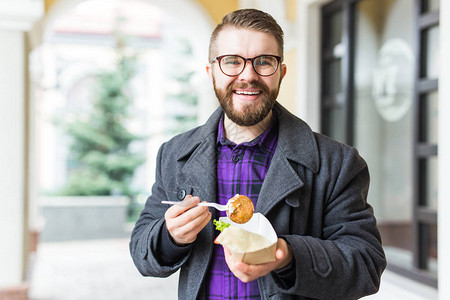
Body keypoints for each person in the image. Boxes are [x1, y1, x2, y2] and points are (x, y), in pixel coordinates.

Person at [130, 8, 386, 300]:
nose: (248, 76)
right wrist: (170, 236)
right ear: (211, 71)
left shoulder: (337, 163)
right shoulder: (174, 154)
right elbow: (141, 253)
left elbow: (366, 265)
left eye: (264, 62)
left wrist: (286, 256)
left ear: (281, 73)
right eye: (231, 62)